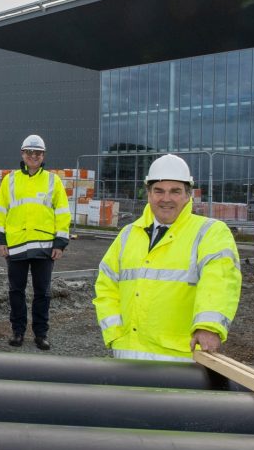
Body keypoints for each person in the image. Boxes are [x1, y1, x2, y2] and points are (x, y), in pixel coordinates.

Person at [94, 154, 241, 361]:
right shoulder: (129, 234)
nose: (166, 199)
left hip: (180, 358)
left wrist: (208, 326)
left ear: (188, 195)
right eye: (159, 191)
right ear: (148, 194)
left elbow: (220, 280)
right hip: (127, 354)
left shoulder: (209, 232)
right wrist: (115, 333)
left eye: (175, 191)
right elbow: (106, 284)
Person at [0, 134, 70, 350]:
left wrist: (60, 242)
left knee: (42, 293)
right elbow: (0, 213)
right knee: (16, 292)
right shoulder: (11, 180)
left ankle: (41, 334)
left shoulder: (53, 181)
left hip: (44, 248)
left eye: (37, 153)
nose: (33, 156)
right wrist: (1, 239)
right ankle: (18, 332)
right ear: (22, 154)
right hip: (15, 246)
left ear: (43, 156)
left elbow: (62, 214)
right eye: (29, 152)